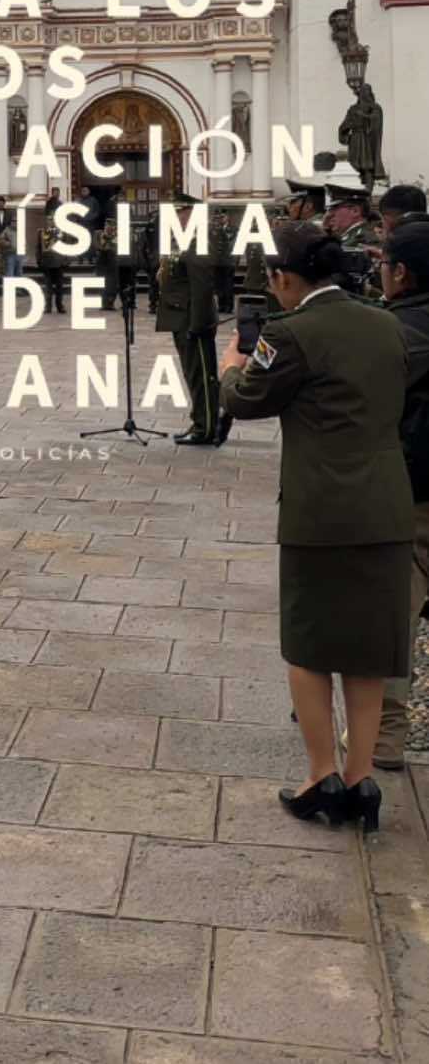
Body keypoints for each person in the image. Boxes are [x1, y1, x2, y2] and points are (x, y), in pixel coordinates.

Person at [219, 221, 414, 833]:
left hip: (320, 510)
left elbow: (245, 400)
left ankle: (320, 773)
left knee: (309, 645)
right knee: (365, 651)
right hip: (386, 504)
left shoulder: (290, 333)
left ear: (281, 277)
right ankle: (362, 780)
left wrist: (232, 363)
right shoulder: (386, 322)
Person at [373, 216, 429, 769]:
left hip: (414, 490)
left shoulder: (395, 331)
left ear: (402, 273)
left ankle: (386, 737)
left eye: (384, 263)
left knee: (397, 612)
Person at [155, 192, 221, 446]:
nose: (176, 217)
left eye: (180, 212)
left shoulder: (197, 241)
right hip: (180, 318)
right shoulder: (181, 240)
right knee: (192, 373)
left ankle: (206, 428)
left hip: (193, 320)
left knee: (202, 375)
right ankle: (200, 420)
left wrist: (199, 324)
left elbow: (201, 287)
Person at [36, 192, 66, 313]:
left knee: (59, 287)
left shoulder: (61, 233)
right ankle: (48, 306)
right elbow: (38, 248)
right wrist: (39, 261)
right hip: (47, 263)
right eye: (49, 220)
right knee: (48, 287)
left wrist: (65, 261)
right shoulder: (41, 232)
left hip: (59, 263)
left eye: (53, 220)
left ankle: (60, 305)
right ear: (47, 221)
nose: (51, 222)